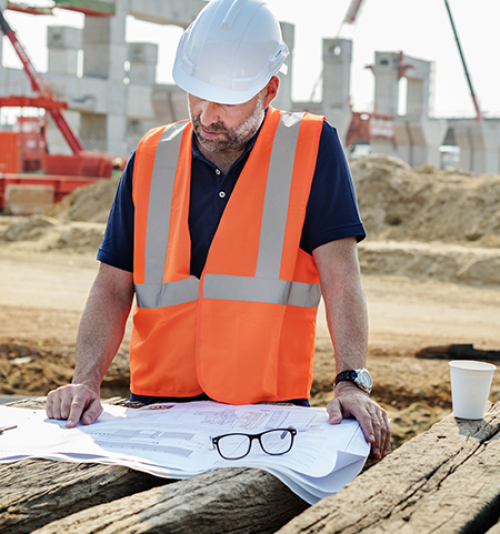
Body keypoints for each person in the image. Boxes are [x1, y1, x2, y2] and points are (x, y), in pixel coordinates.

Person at [46, 0, 390, 459]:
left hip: (268, 420)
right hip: (156, 413)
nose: (208, 114)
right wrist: (85, 380)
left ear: (269, 90)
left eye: (227, 100)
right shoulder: (150, 157)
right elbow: (112, 286)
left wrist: (352, 381)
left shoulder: (312, 149)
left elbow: (341, 277)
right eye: (197, 93)